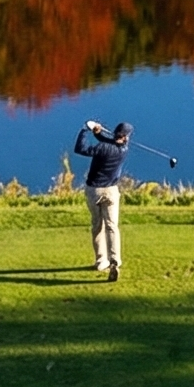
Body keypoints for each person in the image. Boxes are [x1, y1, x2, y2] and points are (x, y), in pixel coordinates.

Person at [75, 119, 131, 280]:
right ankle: (115, 261)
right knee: (112, 227)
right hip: (111, 191)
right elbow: (111, 143)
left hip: (94, 191)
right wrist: (98, 134)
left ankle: (101, 261)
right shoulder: (124, 149)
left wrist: (85, 130)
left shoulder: (102, 148)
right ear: (125, 137)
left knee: (97, 226)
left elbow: (80, 149)